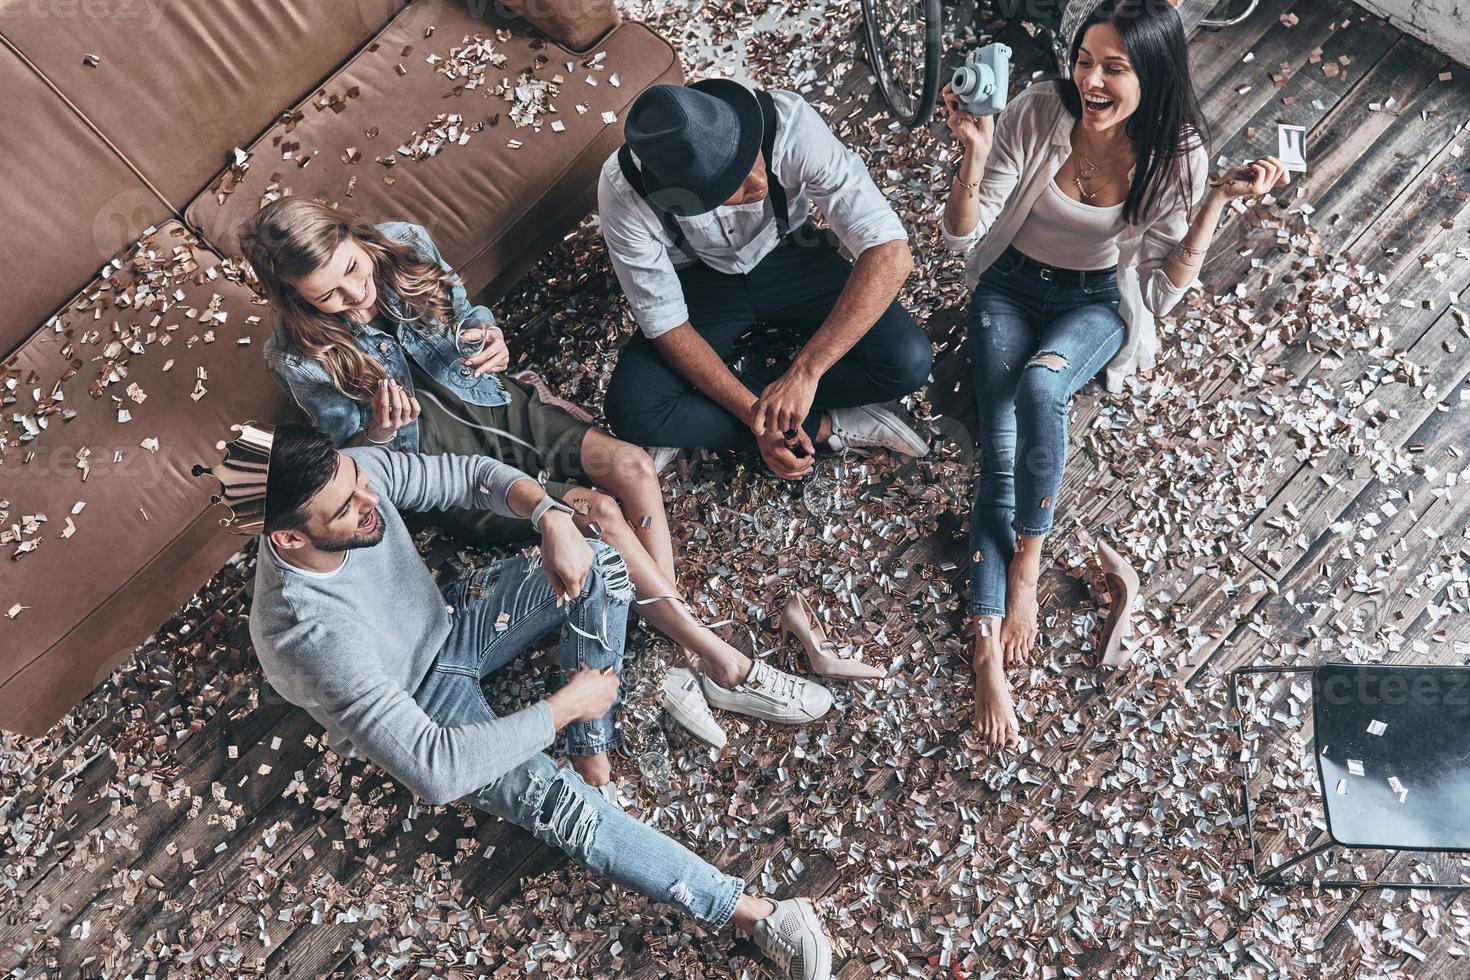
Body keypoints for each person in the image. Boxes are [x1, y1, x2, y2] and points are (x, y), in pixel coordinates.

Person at [198, 422, 832, 980]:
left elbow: (473, 477)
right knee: (566, 815)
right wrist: (563, 706)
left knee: (602, 561)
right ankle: (759, 915)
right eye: (348, 508)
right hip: (419, 706)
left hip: (451, 619)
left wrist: (549, 517)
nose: (374, 502)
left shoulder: (355, 479)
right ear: (288, 541)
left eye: (361, 480)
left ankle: (592, 759)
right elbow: (435, 770)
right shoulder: (312, 635)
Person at [241, 200, 834, 749]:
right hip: (448, 464)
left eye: (351, 267)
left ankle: (674, 659)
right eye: (328, 294)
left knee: (631, 465)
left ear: (351, 234)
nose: (354, 291)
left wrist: (492, 337)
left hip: (503, 406)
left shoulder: (403, 242)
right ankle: (720, 662)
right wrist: (378, 427)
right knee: (599, 511)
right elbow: (359, 459)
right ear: (296, 299)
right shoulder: (297, 356)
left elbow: (468, 312)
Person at [940, 0, 1289, 747]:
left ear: (1152, 75)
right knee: (997, 460)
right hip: (1009, 287)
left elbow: (1161, 291)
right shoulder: (1037, 109)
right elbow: (962, 234)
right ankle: (983, 648)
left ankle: (1026, 567)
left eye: (1114, 68)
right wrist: (974, 152)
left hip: (1095, 301)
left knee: (1042, 386)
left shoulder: (1178, 154)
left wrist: (1218, 201)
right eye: (1084, 60)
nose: (1091, 80)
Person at [598, 78, 934, 481]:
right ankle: (826, 426)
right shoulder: (623, 191)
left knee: (907, 362)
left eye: (748, 160)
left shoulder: (789, 123)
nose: (757, 184)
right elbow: (666, 323)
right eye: (730, 188)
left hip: (793, 253)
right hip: (703, 282)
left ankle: (718, 410)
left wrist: (805, 374)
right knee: (633, 410)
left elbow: (891, 253)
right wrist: (757, 418)